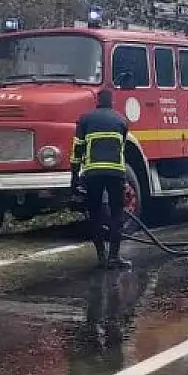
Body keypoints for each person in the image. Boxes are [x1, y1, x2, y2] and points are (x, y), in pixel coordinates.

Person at [71, 89, 131, 269]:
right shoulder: (121, 120)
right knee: (117, 214)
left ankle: (101, 257)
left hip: (93, 173)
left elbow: (77, 150)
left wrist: (74, 176)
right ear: (112, 102)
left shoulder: (85, 119)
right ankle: (115, 257)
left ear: (97, 101)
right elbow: (122, 148)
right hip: (116, 173)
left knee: (95, 213)